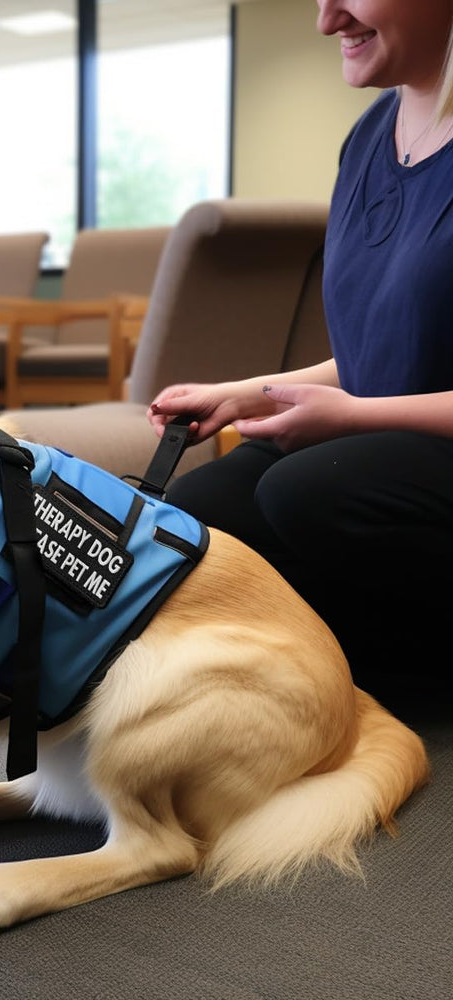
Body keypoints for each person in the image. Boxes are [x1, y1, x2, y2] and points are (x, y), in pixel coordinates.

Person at [148, 0, 453, 708]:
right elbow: (392, 347)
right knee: (201, 513)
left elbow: (376, 399)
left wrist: (352, 421)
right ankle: (332, 661)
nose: (327, 21)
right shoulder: (371, 135)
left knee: (307, 491)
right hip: (385, 442)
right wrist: (251, 391)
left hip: (425, 451)